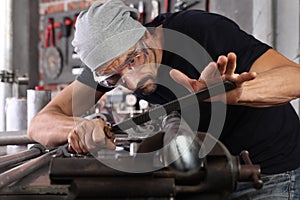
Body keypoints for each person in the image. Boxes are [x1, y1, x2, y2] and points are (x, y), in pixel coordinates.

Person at [28, 0, 300, 199]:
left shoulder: (200, 30)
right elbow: (40, 124)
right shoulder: (108, 64)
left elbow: (294, 78)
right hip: (207, 173)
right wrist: (79, 126)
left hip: (269, 173)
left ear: (144, 32)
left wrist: (232, 94)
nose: (131, 81)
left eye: (134, 60)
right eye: (114, 78)